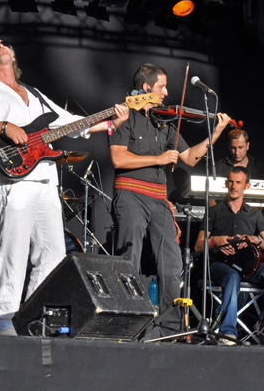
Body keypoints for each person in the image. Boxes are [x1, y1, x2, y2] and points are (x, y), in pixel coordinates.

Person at [0, 39, 129, 335]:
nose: (0, 45)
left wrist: (111, 122)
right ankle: (3, 320)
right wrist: (4, 126)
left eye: (4, 44)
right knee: (14, 253)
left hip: (46, 181)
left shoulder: (35, 94)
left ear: (13, 57)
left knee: (53, 255)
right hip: (14, 182)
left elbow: (70, 123)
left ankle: (29, 317)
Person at [108, 63, 230, 337]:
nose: (166, 92)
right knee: (129, 258)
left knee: (173, 263)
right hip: (130, 193)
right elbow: (118, 158)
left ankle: (169, 329)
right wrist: (159, 159)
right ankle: (124, 323)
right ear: (147, 87)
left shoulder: (165, 121)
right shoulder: (125, 114)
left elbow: (189, 158)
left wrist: (216, 133)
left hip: (159, 198)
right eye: (162, 87)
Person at [195, 166, 264, 345]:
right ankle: (228, 333)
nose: (234, 186)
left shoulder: (255, 214)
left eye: (238, 182)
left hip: (248, 267)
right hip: (221, 265)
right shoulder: (214, 212)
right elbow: (198, 245)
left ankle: (263, 323)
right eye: (231, 182)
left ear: (247, 186)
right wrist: (215, 241)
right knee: (232, 276)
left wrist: (255, 239)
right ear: (226, 183)